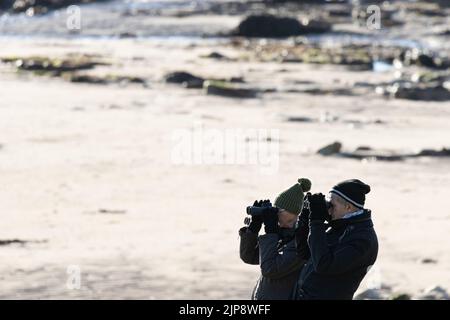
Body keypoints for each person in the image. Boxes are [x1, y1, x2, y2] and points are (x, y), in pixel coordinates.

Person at [293, 179, 379, 300]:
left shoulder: (363, 239)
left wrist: (316, 222)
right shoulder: (340, 226)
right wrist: (305, 219)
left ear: (348, 207)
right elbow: (305, 253)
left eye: (332, 205)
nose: (328, 209)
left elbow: (324, 265)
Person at [239, 178, 311, 300]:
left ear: (297, 216)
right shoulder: (282, 235)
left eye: (290, 220)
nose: (283, 224)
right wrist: (253, 228)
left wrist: (271, 233)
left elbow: (269, 269)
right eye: (278, 218)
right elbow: (249, 256)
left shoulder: (302, 242)